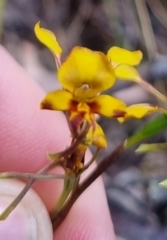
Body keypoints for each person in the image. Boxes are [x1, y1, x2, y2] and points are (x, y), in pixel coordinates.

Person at [0, 46, 115, 239]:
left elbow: (116, 111)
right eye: (82, 88)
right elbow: (50, 103)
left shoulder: (88, 111)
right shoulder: (64, 100)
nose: (85, 90)